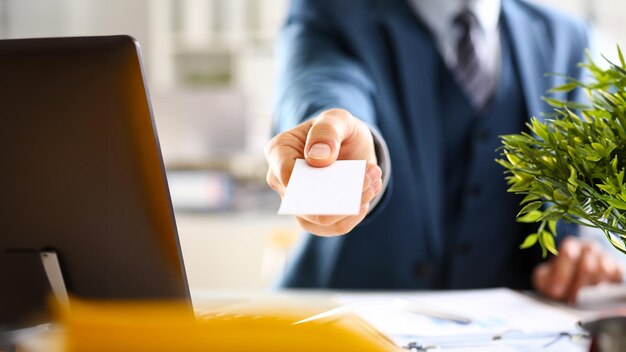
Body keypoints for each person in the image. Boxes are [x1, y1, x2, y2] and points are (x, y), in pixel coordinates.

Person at [265, 0, 623, 302]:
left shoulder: (568, 39)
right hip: (344, 329)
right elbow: (320, 86)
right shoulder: (330, 13)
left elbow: (588, 204)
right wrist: (341, 149)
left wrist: (591, 257)